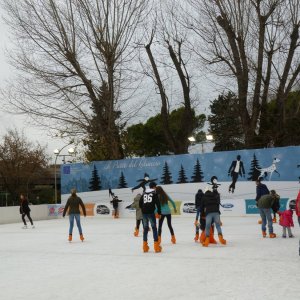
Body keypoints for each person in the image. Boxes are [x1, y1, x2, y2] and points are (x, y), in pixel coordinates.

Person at [139, 182, 161, 253]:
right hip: (151, 213)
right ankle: (156, 247)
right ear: (154, 187)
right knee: (154, 228)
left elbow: (140, 203)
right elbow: (158, 204)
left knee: (145, 228)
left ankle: (145, 247)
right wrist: (159, 213)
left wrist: (143, 208)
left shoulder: (144, 193)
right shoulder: (154, 194)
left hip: (144, 213)